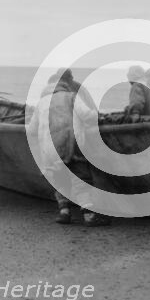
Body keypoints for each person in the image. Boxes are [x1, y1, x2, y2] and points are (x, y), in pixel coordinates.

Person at [27, 75, 111, 227]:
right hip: (71, 146)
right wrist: (100, 117)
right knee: (81, 180)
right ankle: (89, 216)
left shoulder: (42, 103)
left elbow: (32, 130)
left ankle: (64, 212)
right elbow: (87, 116)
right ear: (64, 85)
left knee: (60, 180)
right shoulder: (72, 97)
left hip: (50, 150)